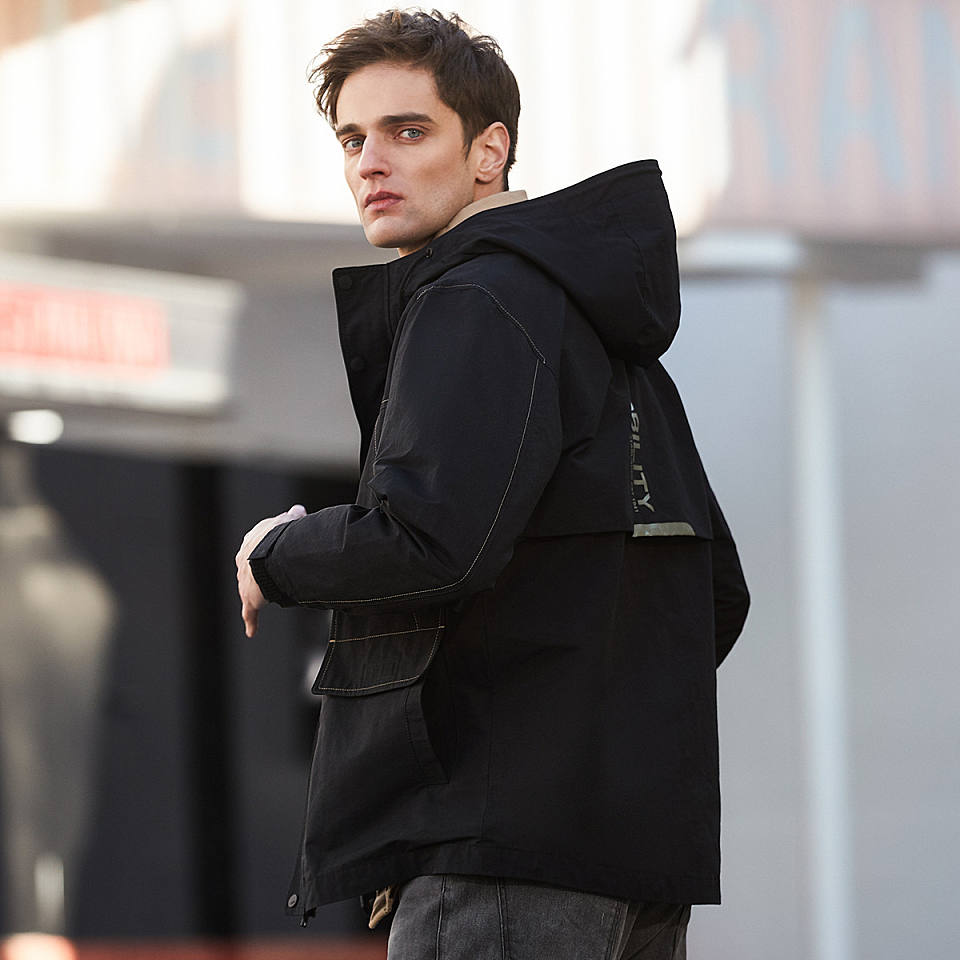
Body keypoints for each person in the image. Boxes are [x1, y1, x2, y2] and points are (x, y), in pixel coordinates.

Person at [235, 9, 749, 959]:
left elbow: (430, 540)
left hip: (499, 859)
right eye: (352, 139)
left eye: (407, 131)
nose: (370, 164)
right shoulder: (594, 322)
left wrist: (279, 552)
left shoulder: (476, 298)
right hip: (632, 862)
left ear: (489, 151)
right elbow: (716, 591)